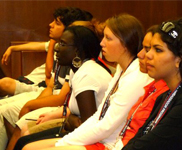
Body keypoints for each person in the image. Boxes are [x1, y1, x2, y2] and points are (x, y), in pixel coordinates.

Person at [22, 13, 153, 150]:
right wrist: (67, 140)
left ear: (126, 42)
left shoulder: (136, 76)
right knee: (29, 146)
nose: (101, 43)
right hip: (100, 137)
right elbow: (99, 115)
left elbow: (106, 126)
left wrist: (63, 142)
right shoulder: (122, 67)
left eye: (108, 38)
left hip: (110, 143)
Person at [0, 7, 93, 150]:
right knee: (5, 110)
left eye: (56, 23)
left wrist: (32, 105)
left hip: (63, 110)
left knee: (22, 126)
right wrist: (33, 103)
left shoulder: (83, 65)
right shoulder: (63, 53)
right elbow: (51, 86)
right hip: (55, 101)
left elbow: (65, 99)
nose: (50, 25)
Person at [122, 17, 182, 150]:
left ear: (181, 58)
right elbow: (138, 140)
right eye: (149, 48)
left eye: (158, 50)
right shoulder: (164, 97)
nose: (148, 55)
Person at [0, 7, 93, 97]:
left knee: (4, 84)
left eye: (57, 23)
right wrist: (13, 48)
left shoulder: (67, 51)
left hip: (40, 87)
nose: (50, 25)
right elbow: (36, 46)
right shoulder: (57, 44)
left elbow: (49, 75)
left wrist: (52, 43)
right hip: (36, 83)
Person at [109, 25, 169, 150]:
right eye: (146, 49)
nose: (142, 55)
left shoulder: (167, 93)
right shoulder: (151, 86)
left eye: (156, 50)